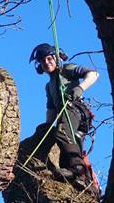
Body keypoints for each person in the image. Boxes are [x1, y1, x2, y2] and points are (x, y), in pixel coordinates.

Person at [28, 43, 99, 183]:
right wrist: (47, 127)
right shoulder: (49, 86)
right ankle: (84, 183)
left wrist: (80, 88)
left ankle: (78, 170)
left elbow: (93, 74)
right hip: (66, 114)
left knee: (61, 132)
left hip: (75, 109)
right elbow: (51, 110)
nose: (46, 62)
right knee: (67, 154)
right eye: (42, 61)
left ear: (56, 58)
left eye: (49, 58)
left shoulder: (66, 69)